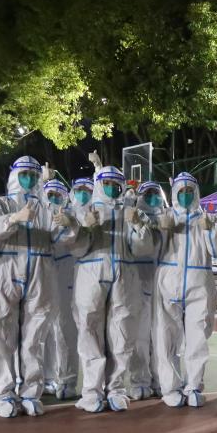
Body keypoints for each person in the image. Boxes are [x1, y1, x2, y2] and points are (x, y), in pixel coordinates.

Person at [0, 156, 72, 418]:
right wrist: (14, 218)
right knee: (2, 336)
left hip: (40, 271)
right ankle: (4, 393)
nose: (29, 180)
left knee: (35, 337)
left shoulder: (47, 208)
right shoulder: (0, 203)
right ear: (14, 176)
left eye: (33, 175)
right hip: (4, 270)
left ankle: (31, 393)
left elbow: (63, 238)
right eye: (25, 174)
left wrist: (70, 225)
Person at [70, 165, 147, 413]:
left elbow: (142, 249)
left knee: (122, 331)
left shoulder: (131, 211)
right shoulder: (85, 210)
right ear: (99, 184)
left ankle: (115, 389)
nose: (112, 188)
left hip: (125, 273)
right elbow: (75, 248)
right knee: (89, 329)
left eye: (116, 184)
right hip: (91, 272)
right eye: (108, 183)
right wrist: (85, 227)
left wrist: (137, 225)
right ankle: (92, 391)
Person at [154, 172, 217, 407]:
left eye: (190, 191)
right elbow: (147, 250)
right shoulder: (165, 217)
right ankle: (170, 388)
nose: (186, 195)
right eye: (181, 191)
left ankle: (194, 386)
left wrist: (210, 230)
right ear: (174, 193)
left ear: (196, 192)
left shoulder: (207, 218)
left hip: (199, 283)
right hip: (168, 283)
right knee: (165, 338)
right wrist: (160, 231)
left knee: (197, 338)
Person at [42, 179, 80, 400]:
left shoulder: (71, 218)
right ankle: (45, 378)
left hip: (65, 280)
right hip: (42, 278)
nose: (54, 199)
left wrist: (70, 223)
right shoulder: (38, 216)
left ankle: (67, 380)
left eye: (59, 195)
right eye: (50, 194)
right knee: (41, 332)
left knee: (66, 331)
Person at [129, 181, 167, 400]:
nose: (153, 197)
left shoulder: (168, 218)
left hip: (163, 285)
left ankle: (162, 379)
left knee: (163, 335)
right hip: (139, 282)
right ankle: (139, 380)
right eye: (148, 193)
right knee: (140, 336)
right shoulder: (133, 218)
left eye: (156, 193)